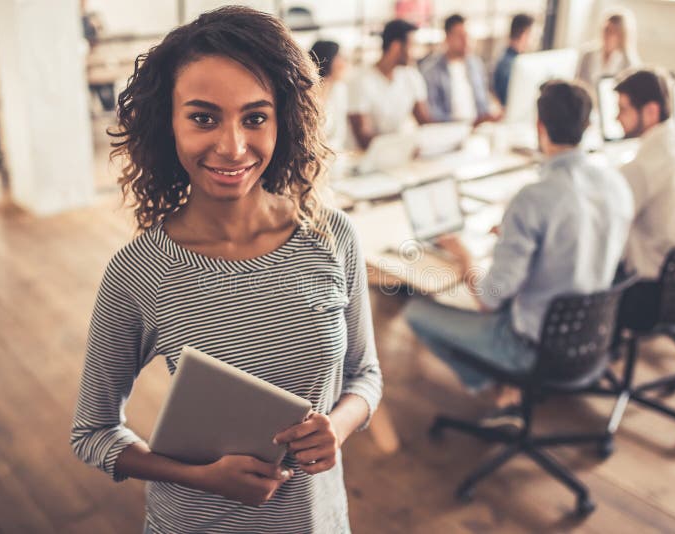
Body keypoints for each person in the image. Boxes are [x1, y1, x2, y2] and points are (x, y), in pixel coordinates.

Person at [69, 7, 382, 533]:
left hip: (316, 521)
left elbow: (365, 375)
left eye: (255, 117)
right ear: (166, 122)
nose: (232, 147)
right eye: (203, 117)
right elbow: (93, 433)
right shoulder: (137, 272)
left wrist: (339, 426)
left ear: (285, 120)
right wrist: (203, 478)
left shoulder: (332, 239)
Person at [405, 80, 633, 423]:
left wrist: (464, 254)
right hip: (593, 335)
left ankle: (493, 383)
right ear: (587, 128)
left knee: (415, 312)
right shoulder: (615, 183)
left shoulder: (533, 199)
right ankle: (505, 384)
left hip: (532, 348)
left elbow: (489, 298)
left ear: (539, 127)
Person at [613, 68, 675, 329]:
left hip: (646, 296)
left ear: (651, 112)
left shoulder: (642, 167)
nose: (616, 117)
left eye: (623, 109)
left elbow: (607, 225)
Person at [347, 19, 431, 149]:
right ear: (396, 47)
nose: (416, 53)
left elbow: (424, 122)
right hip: (366, 158)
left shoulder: (411, 75)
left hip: (397, 152)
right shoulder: (360, 80)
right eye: (412, 46)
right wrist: (402, 146)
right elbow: (363, 137)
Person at [420, 14, 501, 125]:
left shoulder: (476, 64)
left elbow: (484, 101)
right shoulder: (431, 70)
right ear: (448, 38)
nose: (465, 41)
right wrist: (468, 123)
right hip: (449, 130)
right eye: (460, 36)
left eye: (466, 36)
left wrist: (492, 114)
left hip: (479, 128)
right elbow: (433, 114)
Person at [577, 10, 640, 88]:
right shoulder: (588, 55)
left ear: (621, 35)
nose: (607, 35)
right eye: (606, 29)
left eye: (613, 32)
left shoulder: (629, 63)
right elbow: (578, 83)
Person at [309, 40, 350, 151]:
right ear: (327, 58)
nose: (345, 62)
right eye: (340, 57)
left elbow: (339, 135)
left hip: (333, 157)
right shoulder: (305, 94)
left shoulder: (340, 89)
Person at [493, 13, 535, 106]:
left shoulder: (517, 60)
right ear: (524, 34)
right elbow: (510, 99)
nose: (532, 40)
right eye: (531, 35)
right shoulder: (508, 64)